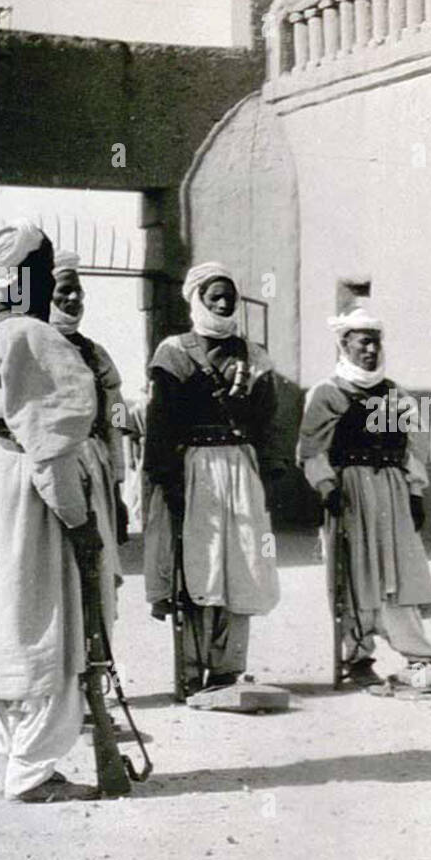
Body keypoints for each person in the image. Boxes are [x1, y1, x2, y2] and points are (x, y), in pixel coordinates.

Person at [0, 219, 118, 803]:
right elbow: (50, 451)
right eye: (44, 270)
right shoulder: (35, 338)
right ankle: (33, 770)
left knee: (7, 620)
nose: (52, 281)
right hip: (35, 494)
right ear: (26, 276)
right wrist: (80, 523)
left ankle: (15, 754)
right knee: (56, 625)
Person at [297, 279, 431, 688]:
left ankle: (417, 653)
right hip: (350, 492)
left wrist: (415, 492)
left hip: (392, 491)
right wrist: (327, 488)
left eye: (375, 342)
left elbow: (415, 445)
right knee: (352, 573)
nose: (370, 349)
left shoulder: (395, 394)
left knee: (400, 571)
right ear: (344, 345)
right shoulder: (327, 394)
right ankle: (357, 655)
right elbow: (311, 449)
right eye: (362, 342)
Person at [142, 261, 280, 694]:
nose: (222, 304)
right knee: (197, 567)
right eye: (213, 297)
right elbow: (160, 420)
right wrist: (165, 478)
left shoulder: (254, 357)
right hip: (193, 468)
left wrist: (269, 476)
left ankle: (226, 668)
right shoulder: (174, 353)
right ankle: (189, 669)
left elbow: (268, 421)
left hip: (240, 466)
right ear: (196, 300)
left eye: (229, 297)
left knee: (241, 565)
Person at [50, 250, 130, 544]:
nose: (73, 299)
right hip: (50, 464)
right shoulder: (30, 344)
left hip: (94, 462)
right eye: (64, 291)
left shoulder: (96, 354)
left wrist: (117, 484)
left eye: (77, 291)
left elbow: (116, 414)